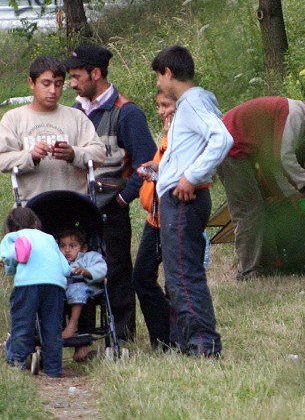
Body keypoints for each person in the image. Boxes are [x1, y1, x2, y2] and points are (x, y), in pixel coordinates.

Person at [143, 45, 233, 357]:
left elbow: (222, 138)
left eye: (158, 76)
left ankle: (203, 344)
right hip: (178, 198)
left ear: (168, 73)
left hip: (182, 203)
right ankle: (185, 342)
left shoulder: (192, 102)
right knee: (178, 274)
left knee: (183, 274)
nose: (158, 83)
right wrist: (165, 170)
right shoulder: (194, 102)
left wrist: (191, 177)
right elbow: (191, 149)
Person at [66, 43, 157, 341]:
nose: (72, 83)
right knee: (75, 267)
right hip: (78, 204)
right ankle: (82, 334)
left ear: (96, 73)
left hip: (110, 206)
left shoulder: (127, 113)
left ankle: (122, 335)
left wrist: (122, 198)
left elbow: (147, 163)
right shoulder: (75, 112)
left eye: (77, 76)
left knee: (116, 269)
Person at [218, 94, 305, 280]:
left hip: (236, 149)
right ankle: (248, 271)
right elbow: (284, 157)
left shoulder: (288, 115)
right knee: (249, 212)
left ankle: (266, 266)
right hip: (231, 150)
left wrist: (290, 193)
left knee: (260, 210)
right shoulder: (296, 115)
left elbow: (272, 163)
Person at [0, 57, 105, 203]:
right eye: (46, 84)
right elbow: (3, 159)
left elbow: (100, 154)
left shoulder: (76, 117)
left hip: (74, 204)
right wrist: (30, 156)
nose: (53, 91)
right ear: (31, 83)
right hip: (31, 206)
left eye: (58, 84)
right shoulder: (13, 118)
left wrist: (73, 154)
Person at [1, 207, 71, 377]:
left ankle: (17, 363)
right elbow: (66, 268)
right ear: (35, 222)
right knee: (52, 327)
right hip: (54, 284)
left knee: (23, 324)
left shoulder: (13, 237)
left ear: (12, 226)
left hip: (28, 283)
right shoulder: (49, 238)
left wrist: (10, 269)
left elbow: (9, 257)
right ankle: (54, 368)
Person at [132, 91, 175, 350]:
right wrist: (153, 169)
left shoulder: (183, 136)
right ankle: (162, 339)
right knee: (142, 276)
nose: (161, 111)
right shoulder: (167, 135)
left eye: (166, 105)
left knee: (176, 282)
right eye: (158, 106)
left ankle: (178, 338)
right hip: (154, 218)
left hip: (173, 218)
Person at [58, 227, 107, 362]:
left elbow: (101, 269)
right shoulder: (57, 260)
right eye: (62, 246)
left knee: (77, 289)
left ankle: (73, 325)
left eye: (72, 246)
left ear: (83, 248)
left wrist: (87, 272)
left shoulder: (90, 257)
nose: (67, 250)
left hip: (87, 290)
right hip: (62, 291)